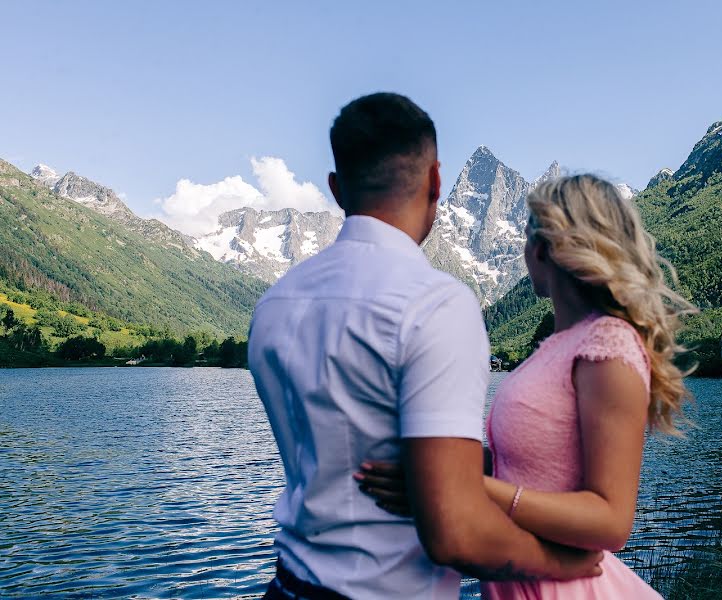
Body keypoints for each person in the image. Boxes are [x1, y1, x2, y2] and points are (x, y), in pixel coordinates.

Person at [248, 93, 603, 600]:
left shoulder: (274, 305)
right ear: (437, 181)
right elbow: (455, 533)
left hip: (286, 587)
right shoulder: (435, 303)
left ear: (335, 188)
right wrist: (569, 564)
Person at [357, 174, 695, 598]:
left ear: (543, 249)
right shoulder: (557, 345)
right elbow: (524, 465)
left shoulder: (608, 345)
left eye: (525, 239)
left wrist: (460, 487)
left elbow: (612, 522)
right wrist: (428, 458)